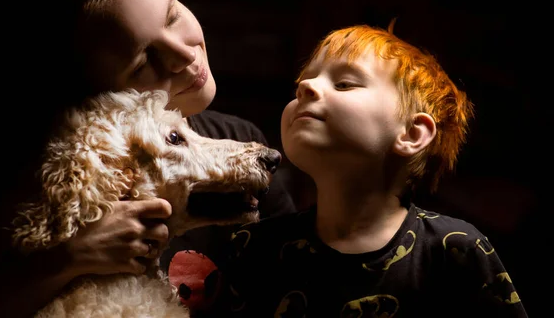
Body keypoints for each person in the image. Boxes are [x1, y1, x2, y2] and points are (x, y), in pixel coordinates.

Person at [0, 0, 295, 317]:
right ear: (97, 102)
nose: (184, 54)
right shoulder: (35, 189)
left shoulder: (242, 138)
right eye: (142, 61)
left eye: (172, 14)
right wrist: (68, 258)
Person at [205, 23, 528, 317]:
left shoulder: (454, 249)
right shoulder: (254, 247)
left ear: (412, 134)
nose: (306, 87)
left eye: (344, 84)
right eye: (301, 83)